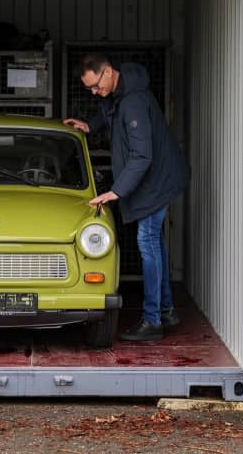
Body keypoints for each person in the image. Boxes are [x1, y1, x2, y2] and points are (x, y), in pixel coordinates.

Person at [63, 53, 190, 341]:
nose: (95, 92)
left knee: (146, 242)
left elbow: (142, 156)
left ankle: (152, 321)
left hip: (157, 180)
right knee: (154, 241)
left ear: (107, 72)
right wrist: (90, 126)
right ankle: (167, 310)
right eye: (90, 90)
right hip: (151, 179)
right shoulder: (118, 94)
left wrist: (116, 191)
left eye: (95, 86)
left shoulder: (133, 102)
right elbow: (107, 112)